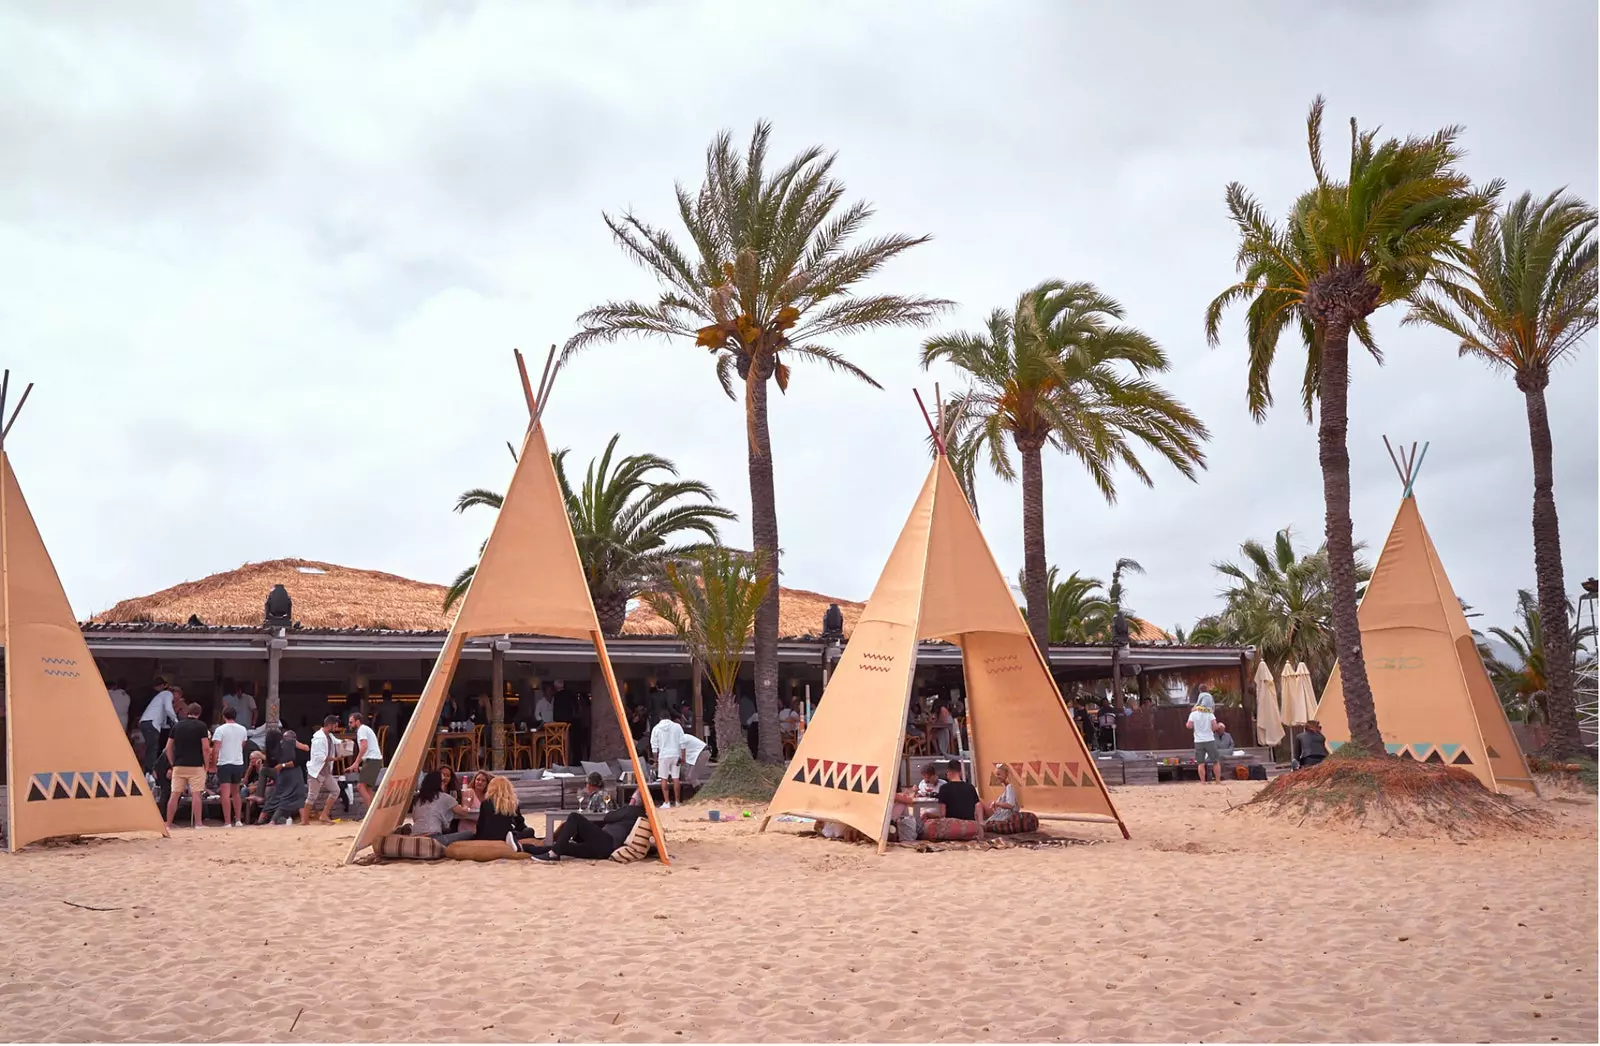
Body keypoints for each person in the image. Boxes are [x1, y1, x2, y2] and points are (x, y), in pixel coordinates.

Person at [526, 789, 646, 862]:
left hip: (607, 842)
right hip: (604, 850)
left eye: (632, 798)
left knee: (574, 817)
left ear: (635, 800)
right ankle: (526, 848)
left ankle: (553, 855)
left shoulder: (631, 810)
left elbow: (609, 817)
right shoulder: (639, 814)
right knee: (564, 847)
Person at [164, 702, 212, 829]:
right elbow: (206, 748)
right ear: (199, 714)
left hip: (179, 765)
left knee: (174, 794)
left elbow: (168, 747)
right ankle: (198, 823)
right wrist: (206, 766)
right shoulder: (201, 726)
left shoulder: (177, 726)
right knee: (196, 794)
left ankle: (168, 824)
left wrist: (172, 762)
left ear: (187, 712)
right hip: (196, 765)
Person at [212, 706, 249, 828]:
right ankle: (238, 820)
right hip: (238, 763)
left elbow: (216, 749)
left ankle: (227, 821)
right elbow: (242, 745)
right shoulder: (243, 729)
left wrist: (213, 763)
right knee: (236, 793)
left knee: (225, 794)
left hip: (224, 763)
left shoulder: (220, 730)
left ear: (223, 716)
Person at [408, 770, 473, 839]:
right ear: (437, 783)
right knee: (470, 833)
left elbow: (415, 818)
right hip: (433, 838)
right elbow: (463, 812)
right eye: (443, 781)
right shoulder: (444, 797)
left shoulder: (418, 799)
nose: (445, 784)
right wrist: (466, 805)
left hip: (415, 836)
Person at [261, 729, 307, 825]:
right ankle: (303, 820)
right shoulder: (290, 742)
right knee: (300, 795)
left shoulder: (272, 749)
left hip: (282, 775)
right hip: (294, 773)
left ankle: (272, 820)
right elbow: (306, 748)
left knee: (284, 797)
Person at [304, 715, 342, 823]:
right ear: (330, 725)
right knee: (312, 796)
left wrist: (345, 744)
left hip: (325, 771)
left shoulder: (329, 736)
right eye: (335, 725)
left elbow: (337, 742)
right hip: (316, 771)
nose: (336, 727)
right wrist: (335, 758)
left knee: (336, 791)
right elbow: (320, 757)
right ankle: (304, 820)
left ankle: (324, 814)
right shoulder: (319, 738)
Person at [138, 681, 178, 776]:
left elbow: (163, 720)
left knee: (151, 747)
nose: (177, 699)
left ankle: (148, 770)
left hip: (148, 722)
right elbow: (168, 709)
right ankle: (149, 771)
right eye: (178, 696)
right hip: (150, 722)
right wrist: (176, 721)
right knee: (153, 747)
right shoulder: (167, 694)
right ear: (175, 692)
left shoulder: (161, 697)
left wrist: (168, 726)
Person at [650, 709, 687, 808]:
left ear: (660, 718)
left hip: (663, 756)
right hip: (675, 754)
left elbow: (654, 746)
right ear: (670, 717)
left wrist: (655, 760)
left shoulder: (656, 728)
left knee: (664, 778)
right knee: (676, 778)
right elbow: (683, 742)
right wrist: (683, 757)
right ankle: (677, 802)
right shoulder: (677, 727)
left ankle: (666, 802)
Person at [348, 711, 384, 813]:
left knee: (360, 786)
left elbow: (364, 746)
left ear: (357, 722)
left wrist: (356, 763)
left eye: (351, 722)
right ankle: (373, 814)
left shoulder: (362, 730)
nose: (349, 725)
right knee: (368, 788)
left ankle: (370, 815)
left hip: (372, 760)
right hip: (373, 760)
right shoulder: (365, 729)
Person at [1186, 692, 1222, 784]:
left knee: (1201, 763)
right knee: (1215, 761)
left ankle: (1202, 781)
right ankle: (1217, 780)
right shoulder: (1210, 714)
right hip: (1210, 739)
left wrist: (1196, 725)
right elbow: (1214, 727)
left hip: (1198, 741)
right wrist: (1218, 726)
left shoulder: (1193, 714)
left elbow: (1189, 726)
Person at [982, 762, 1021, 827]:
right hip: (1003, 813)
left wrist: (996, 803)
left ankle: (981, 823)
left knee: (979, 801)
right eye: (996, 775)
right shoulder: (1008, 787)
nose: (997, 777)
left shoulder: (1010, 787)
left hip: (1006, 816)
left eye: (999, 774)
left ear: (1006, 774)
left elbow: (1011, 805)